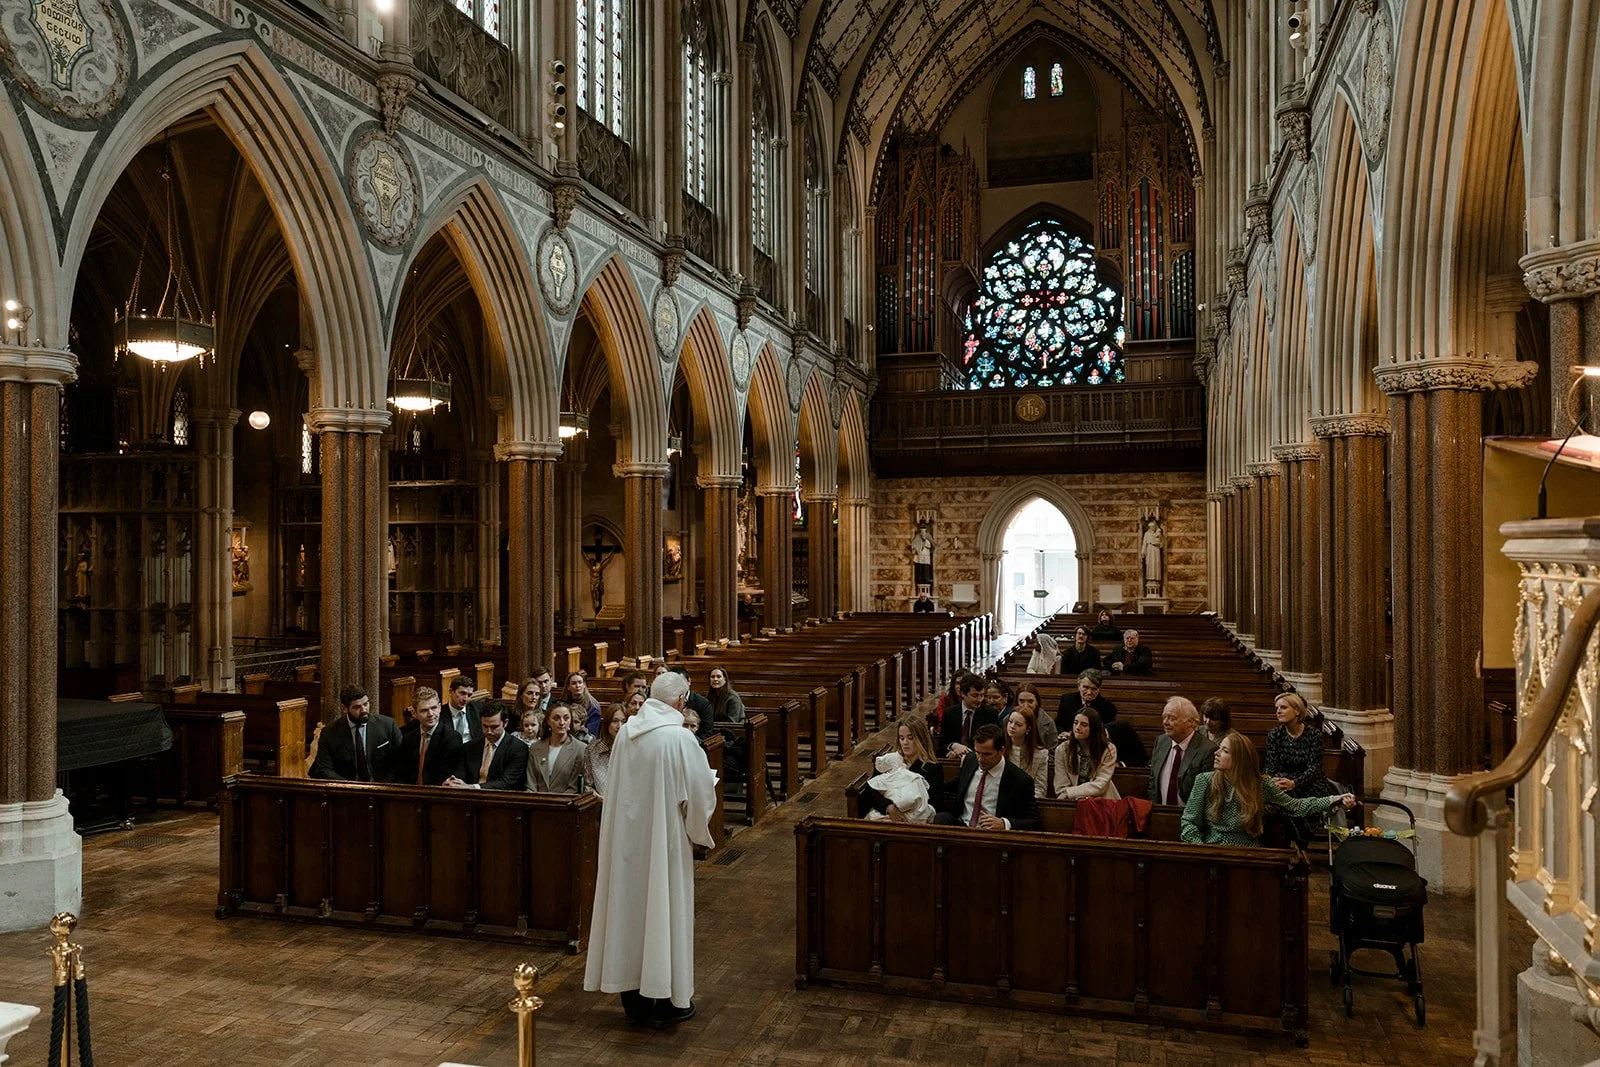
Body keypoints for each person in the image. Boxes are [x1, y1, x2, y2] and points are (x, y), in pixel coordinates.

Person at [584, 671, 718, 1028]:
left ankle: (633, 1000)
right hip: (665, 840)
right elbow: (701, 793)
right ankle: (668, 1002)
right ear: (680, 701)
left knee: (630, 912)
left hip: (628, 840)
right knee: (664, 910)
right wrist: (698, 827)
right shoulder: (679, 738)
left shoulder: (627, 733)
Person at [1181, 731, 1356, 846]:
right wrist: (1200, 848)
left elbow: (1296, 806)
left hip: (1249, 852)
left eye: (1224, 751)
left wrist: (1334, 799)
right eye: (1219, 748)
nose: (1216, 753)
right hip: (1213, 848)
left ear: (1239, 758)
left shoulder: (1260, 784)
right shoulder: (1204, 780)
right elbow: (1189, 821)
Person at [934, 724, 1041, 830]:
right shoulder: (970, 761)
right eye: (977, 752)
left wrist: (1004, 823)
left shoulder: (1019, 779)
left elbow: (1034, 821)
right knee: (941, 818)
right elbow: (953, 785)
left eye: (986, 754)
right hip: (963, 826)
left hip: (992, 834)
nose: (980, 759)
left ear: (1002, 751)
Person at [309, 684, 400, 782]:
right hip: (347, 790)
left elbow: (400, 759)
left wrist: (386, 785)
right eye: (357, 707)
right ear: (344, 708)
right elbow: (324, 767)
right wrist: (348, 788)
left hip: (384, 788)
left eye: (366, 704)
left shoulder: (388, 725)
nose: (364, 710)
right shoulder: (330, 732)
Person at [861, 715, 943, 820]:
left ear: (921, 739)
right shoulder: (889, 761)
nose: (905, 743)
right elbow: (870, 791)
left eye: (910, 738)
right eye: (901, 738)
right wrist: (889, 807)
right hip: (884, 815)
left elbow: (934, 803)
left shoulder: (933, 768)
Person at [1148, 696, 1217, 807]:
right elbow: (1153, 781)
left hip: (1191, 818)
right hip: (1160, 814)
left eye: (1171, 718)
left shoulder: (1207, 750)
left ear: (1190, 722)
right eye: (1164, 717)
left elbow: (1207, 794)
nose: (1165, 722)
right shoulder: (1161, 741)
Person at [444, 702, 528, 790]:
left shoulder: (518, 748)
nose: (489, 732)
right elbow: (460, 775)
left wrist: (473, 787)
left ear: (505, 723)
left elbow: (506, 783)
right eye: (485, 726)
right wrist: (454, 782)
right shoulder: (470, 747)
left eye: (494, 727)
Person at [391, 686, 463, 786]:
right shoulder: (409, 738)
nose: (430, 714)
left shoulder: (452, 738)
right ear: (415, 713)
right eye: (424, 710)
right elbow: (403, 772)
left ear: (440, 707)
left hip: (436, 794)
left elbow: (446, 776)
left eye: (434, 708)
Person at [1054, 708, 1120, 800]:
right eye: (1075, 723)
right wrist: (1072, 795)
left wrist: (1070, 792)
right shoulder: (1062, 750)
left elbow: (1101, 784)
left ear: (1093, 728)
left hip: (1101, 800)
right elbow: (1061, 786)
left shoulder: (1108, 749)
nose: (1077, 727)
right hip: (1071, 800)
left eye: (1084, 725)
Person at [527, 703, 587, 793]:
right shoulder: (535, 747)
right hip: (537, 802)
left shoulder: (580, 748)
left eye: (566, 718)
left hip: (565, 803)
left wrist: (556, 803)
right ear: (548, 721)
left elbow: (574, 787)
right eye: (556, 718)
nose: (562, 723)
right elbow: (530, 782)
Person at [936, 673, 997, 758]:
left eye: (982, 695)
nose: (980, 700)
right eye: (975, 695)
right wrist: (952, 747)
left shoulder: (990, 714)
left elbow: (994, 745)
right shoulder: (949, 713)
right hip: (954, 760)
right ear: (963, 694)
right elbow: (942, 745)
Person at [1002, 702, 1049, 798]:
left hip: (1028, 801)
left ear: (1028, 729)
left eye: (1018, 724)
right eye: (1010, 722)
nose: (1012, 726)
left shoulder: (1041, 754)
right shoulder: (999, 748)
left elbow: (1040, 788)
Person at [583, 703, 628, 797]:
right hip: (599, 804)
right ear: (607, 723)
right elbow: (588, 785)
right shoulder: (592, 749)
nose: (620, 726)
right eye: (615, 721)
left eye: (624, 721)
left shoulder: (632, 749)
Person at [1012, 682, 1057, 749]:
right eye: (1021, 701)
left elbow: (1052, 751)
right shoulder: (1008, 720)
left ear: (1037, 702)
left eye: (1030, 701)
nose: (1025, 705)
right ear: (1016, 701)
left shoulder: (1048, 722)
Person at [440, 675, 482, 746]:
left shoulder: (478, 709)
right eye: (462, 693)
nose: (466, 699)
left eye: (469, 695)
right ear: (451, 692)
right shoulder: (439, 713)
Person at [564, 671, 604, 737]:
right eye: (574, 683)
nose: (577, 685)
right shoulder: (563, 703)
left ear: (584, 685)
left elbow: (592, 732)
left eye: (580, 682)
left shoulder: (593, 706)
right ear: (568, 687)